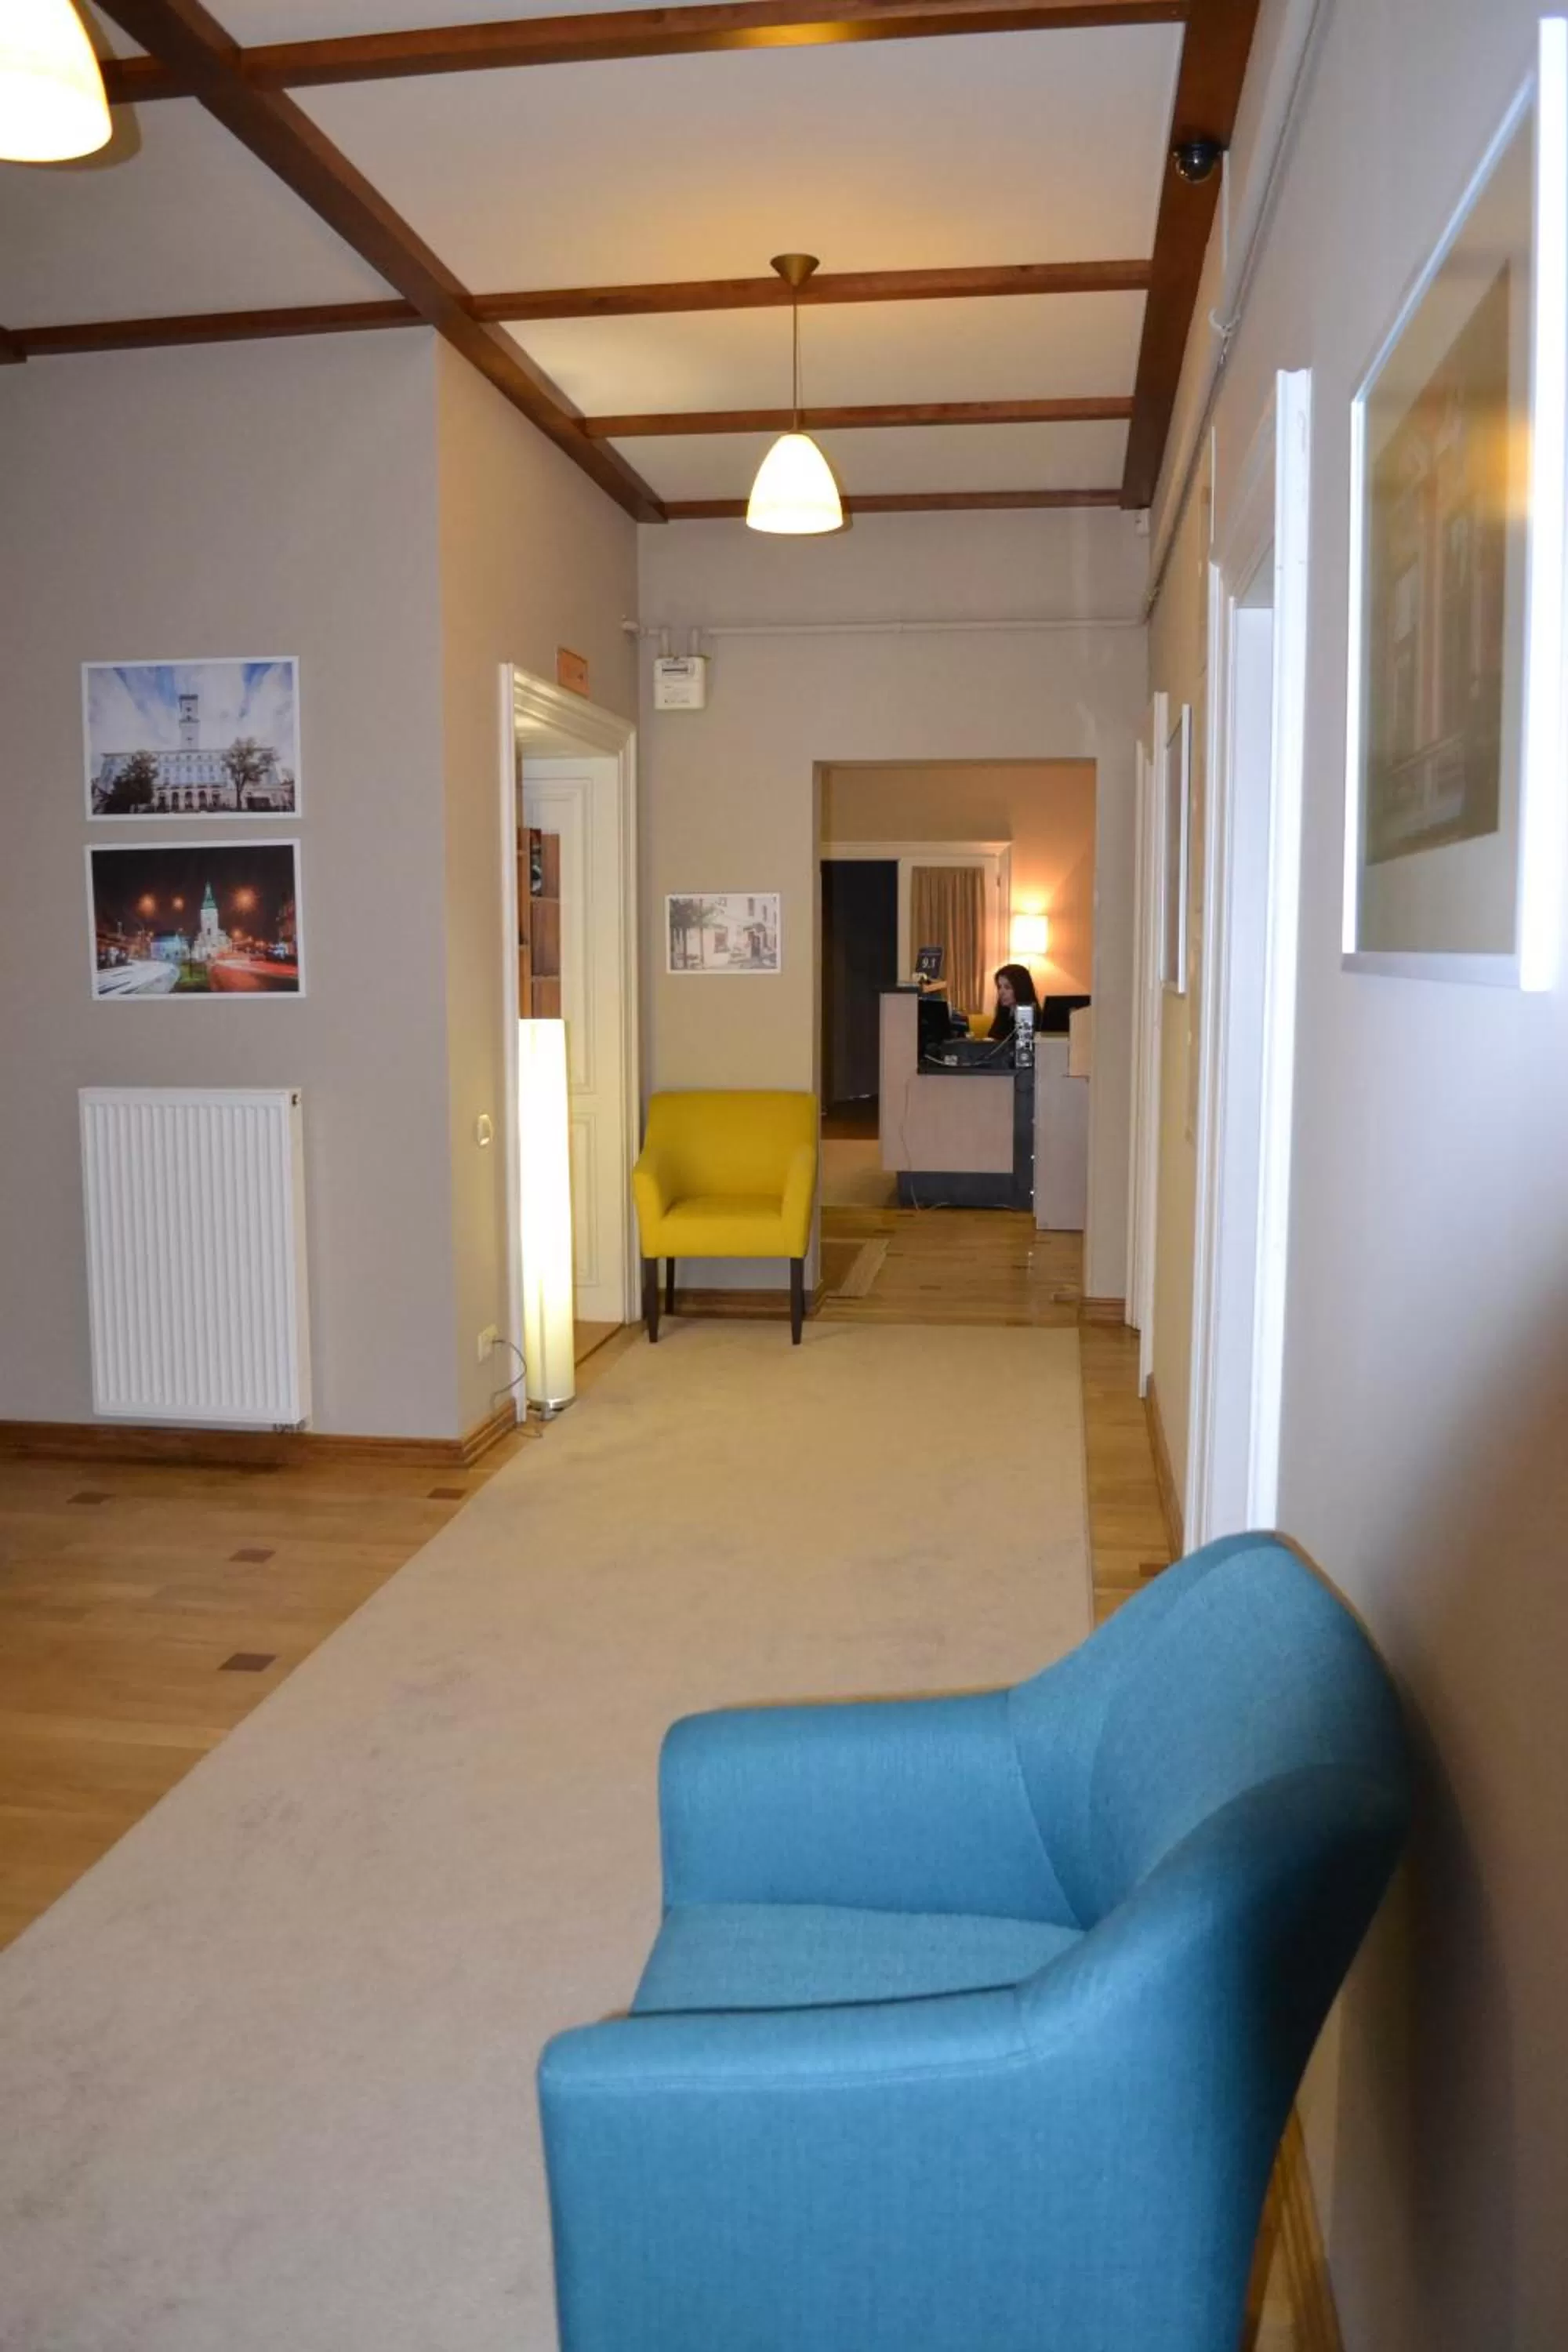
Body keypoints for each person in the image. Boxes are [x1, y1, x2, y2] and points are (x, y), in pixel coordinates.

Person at [987, 963, 1045, 1041]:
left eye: (1007, 987)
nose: (1001, 992)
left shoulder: (1033, 1017)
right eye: (999, 987)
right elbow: (993, 1039)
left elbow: (1024, 1048)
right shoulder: (1004, 1013)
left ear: (1021, 988)